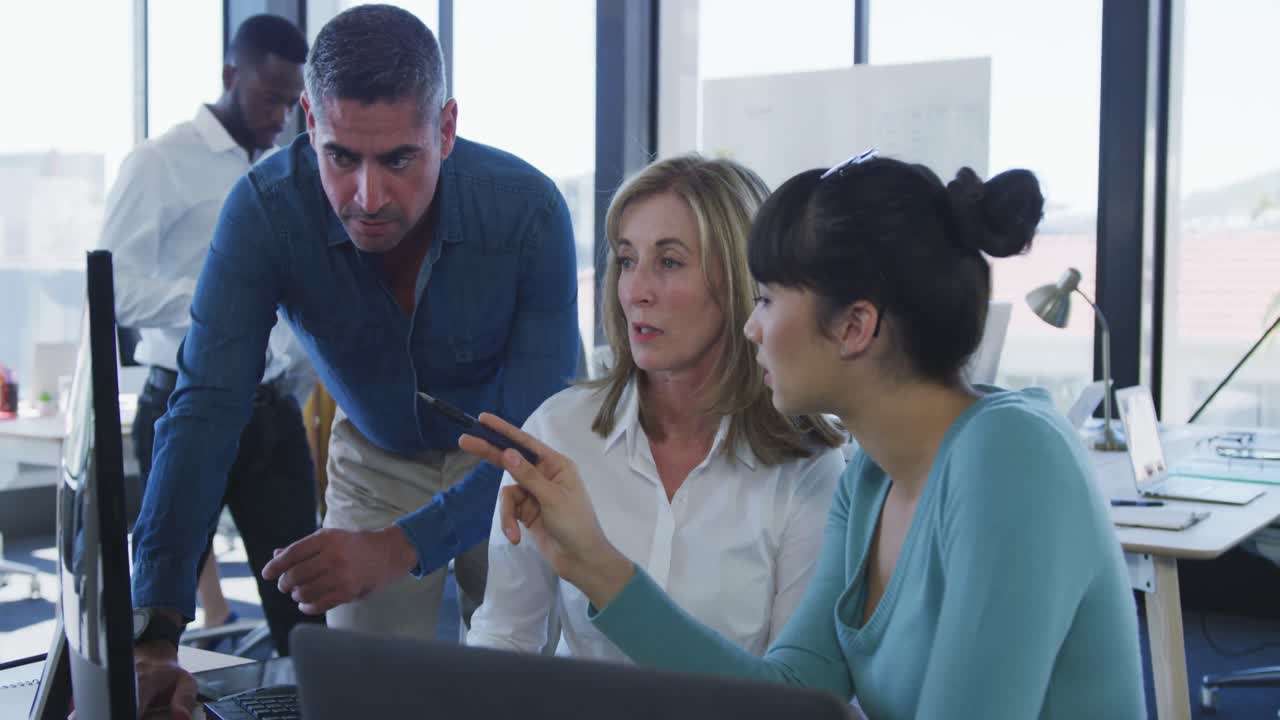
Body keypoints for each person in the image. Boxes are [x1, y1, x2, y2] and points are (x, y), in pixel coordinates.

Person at [461, 156, 1148, 718]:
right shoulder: (870, 481)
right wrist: (595, 567)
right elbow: (789, 701)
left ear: (854, 327)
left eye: (765, 299)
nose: (752, 327)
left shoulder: (1010, 458)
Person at [128, 4, 578, 717]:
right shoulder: (263, 212)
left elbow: (539, 432)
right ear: (310, 121)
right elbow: (206, 405)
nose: (368, 198)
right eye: (342, 157)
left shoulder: (528, 213)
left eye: (399, 159)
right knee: (368, 699)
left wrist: (404, 545)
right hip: (376, 457)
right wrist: (155, 631)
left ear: (446, 128)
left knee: (529, 691)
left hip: (509, 463)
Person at [466, 155, 845, 660]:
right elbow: (504, 639)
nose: (636, 291)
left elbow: (794, 695)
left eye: (669, 262)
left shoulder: (809, 468)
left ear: (738, 279)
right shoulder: (559, 432)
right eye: (627, 260)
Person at [100, 14, 317, 653]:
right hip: (182, 402)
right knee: (157, 612)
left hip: (272, 413)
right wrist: (218, 305)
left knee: (302, 606)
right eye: (268, 97)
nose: (280, 116)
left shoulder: (283, 172)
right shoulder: (160, 162)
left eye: (290, 102)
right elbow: (115, 286)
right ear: (230, 76)